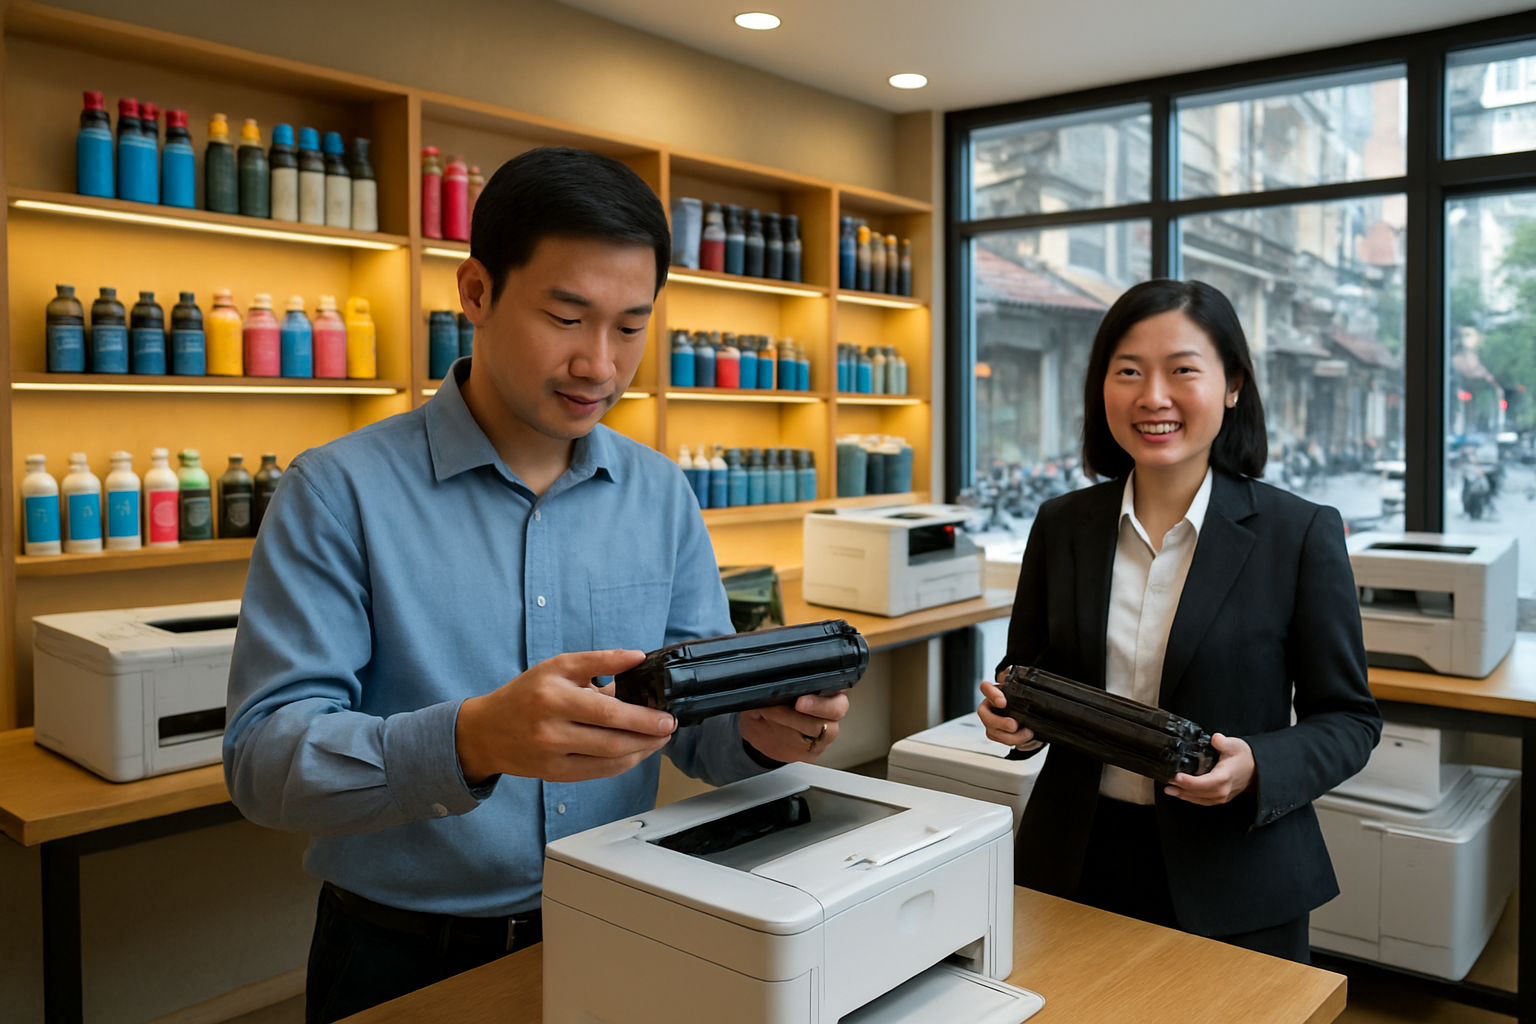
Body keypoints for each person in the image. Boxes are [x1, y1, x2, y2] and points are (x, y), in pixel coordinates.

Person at [224, 147, 849, 1023]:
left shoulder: (661, 492)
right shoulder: (337, 491)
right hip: (404, 955)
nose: (599, 364)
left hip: (627, 922)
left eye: (629, 327)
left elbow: (695, 732)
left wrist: (761, 728)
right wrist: (473, 739)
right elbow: (262, 762)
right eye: (566, 317)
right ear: (476, 291)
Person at [977, 279, 1381, 962]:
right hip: (1074, 861)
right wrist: (1014, 716)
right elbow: (1028, 671)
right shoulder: (1061, 524)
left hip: (1235, 873)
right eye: (1129, 371)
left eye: (1182, 371)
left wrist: (1257, 765)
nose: (1153, 397)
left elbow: (1349, 719)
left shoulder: (1299, 533)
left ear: (1232, 386)